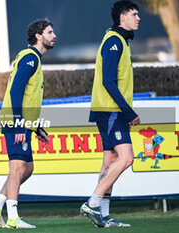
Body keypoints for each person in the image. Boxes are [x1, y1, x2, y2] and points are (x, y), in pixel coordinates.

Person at [0, 19, 56, 229]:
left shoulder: (33, 59)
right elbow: (16, 92)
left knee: (27, 168)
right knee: (17, 168)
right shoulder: (30, 58)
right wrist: (18, 126)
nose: (54, 36)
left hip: (24, 123)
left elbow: (27, 98)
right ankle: (13, 217)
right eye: (50, 32)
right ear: (38, 36)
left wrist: (36, 128)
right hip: (16, 122)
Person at [80, 0, 141, 228]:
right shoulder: (114, 41)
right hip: (110, 111)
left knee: (111, 160)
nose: (138, 18)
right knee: (126, 158)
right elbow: (108, 80)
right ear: (122, 18)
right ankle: (92, 203)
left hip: (110, 111)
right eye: (134, 14)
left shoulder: (120, 41)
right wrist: (128, 112)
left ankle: (103, 216)